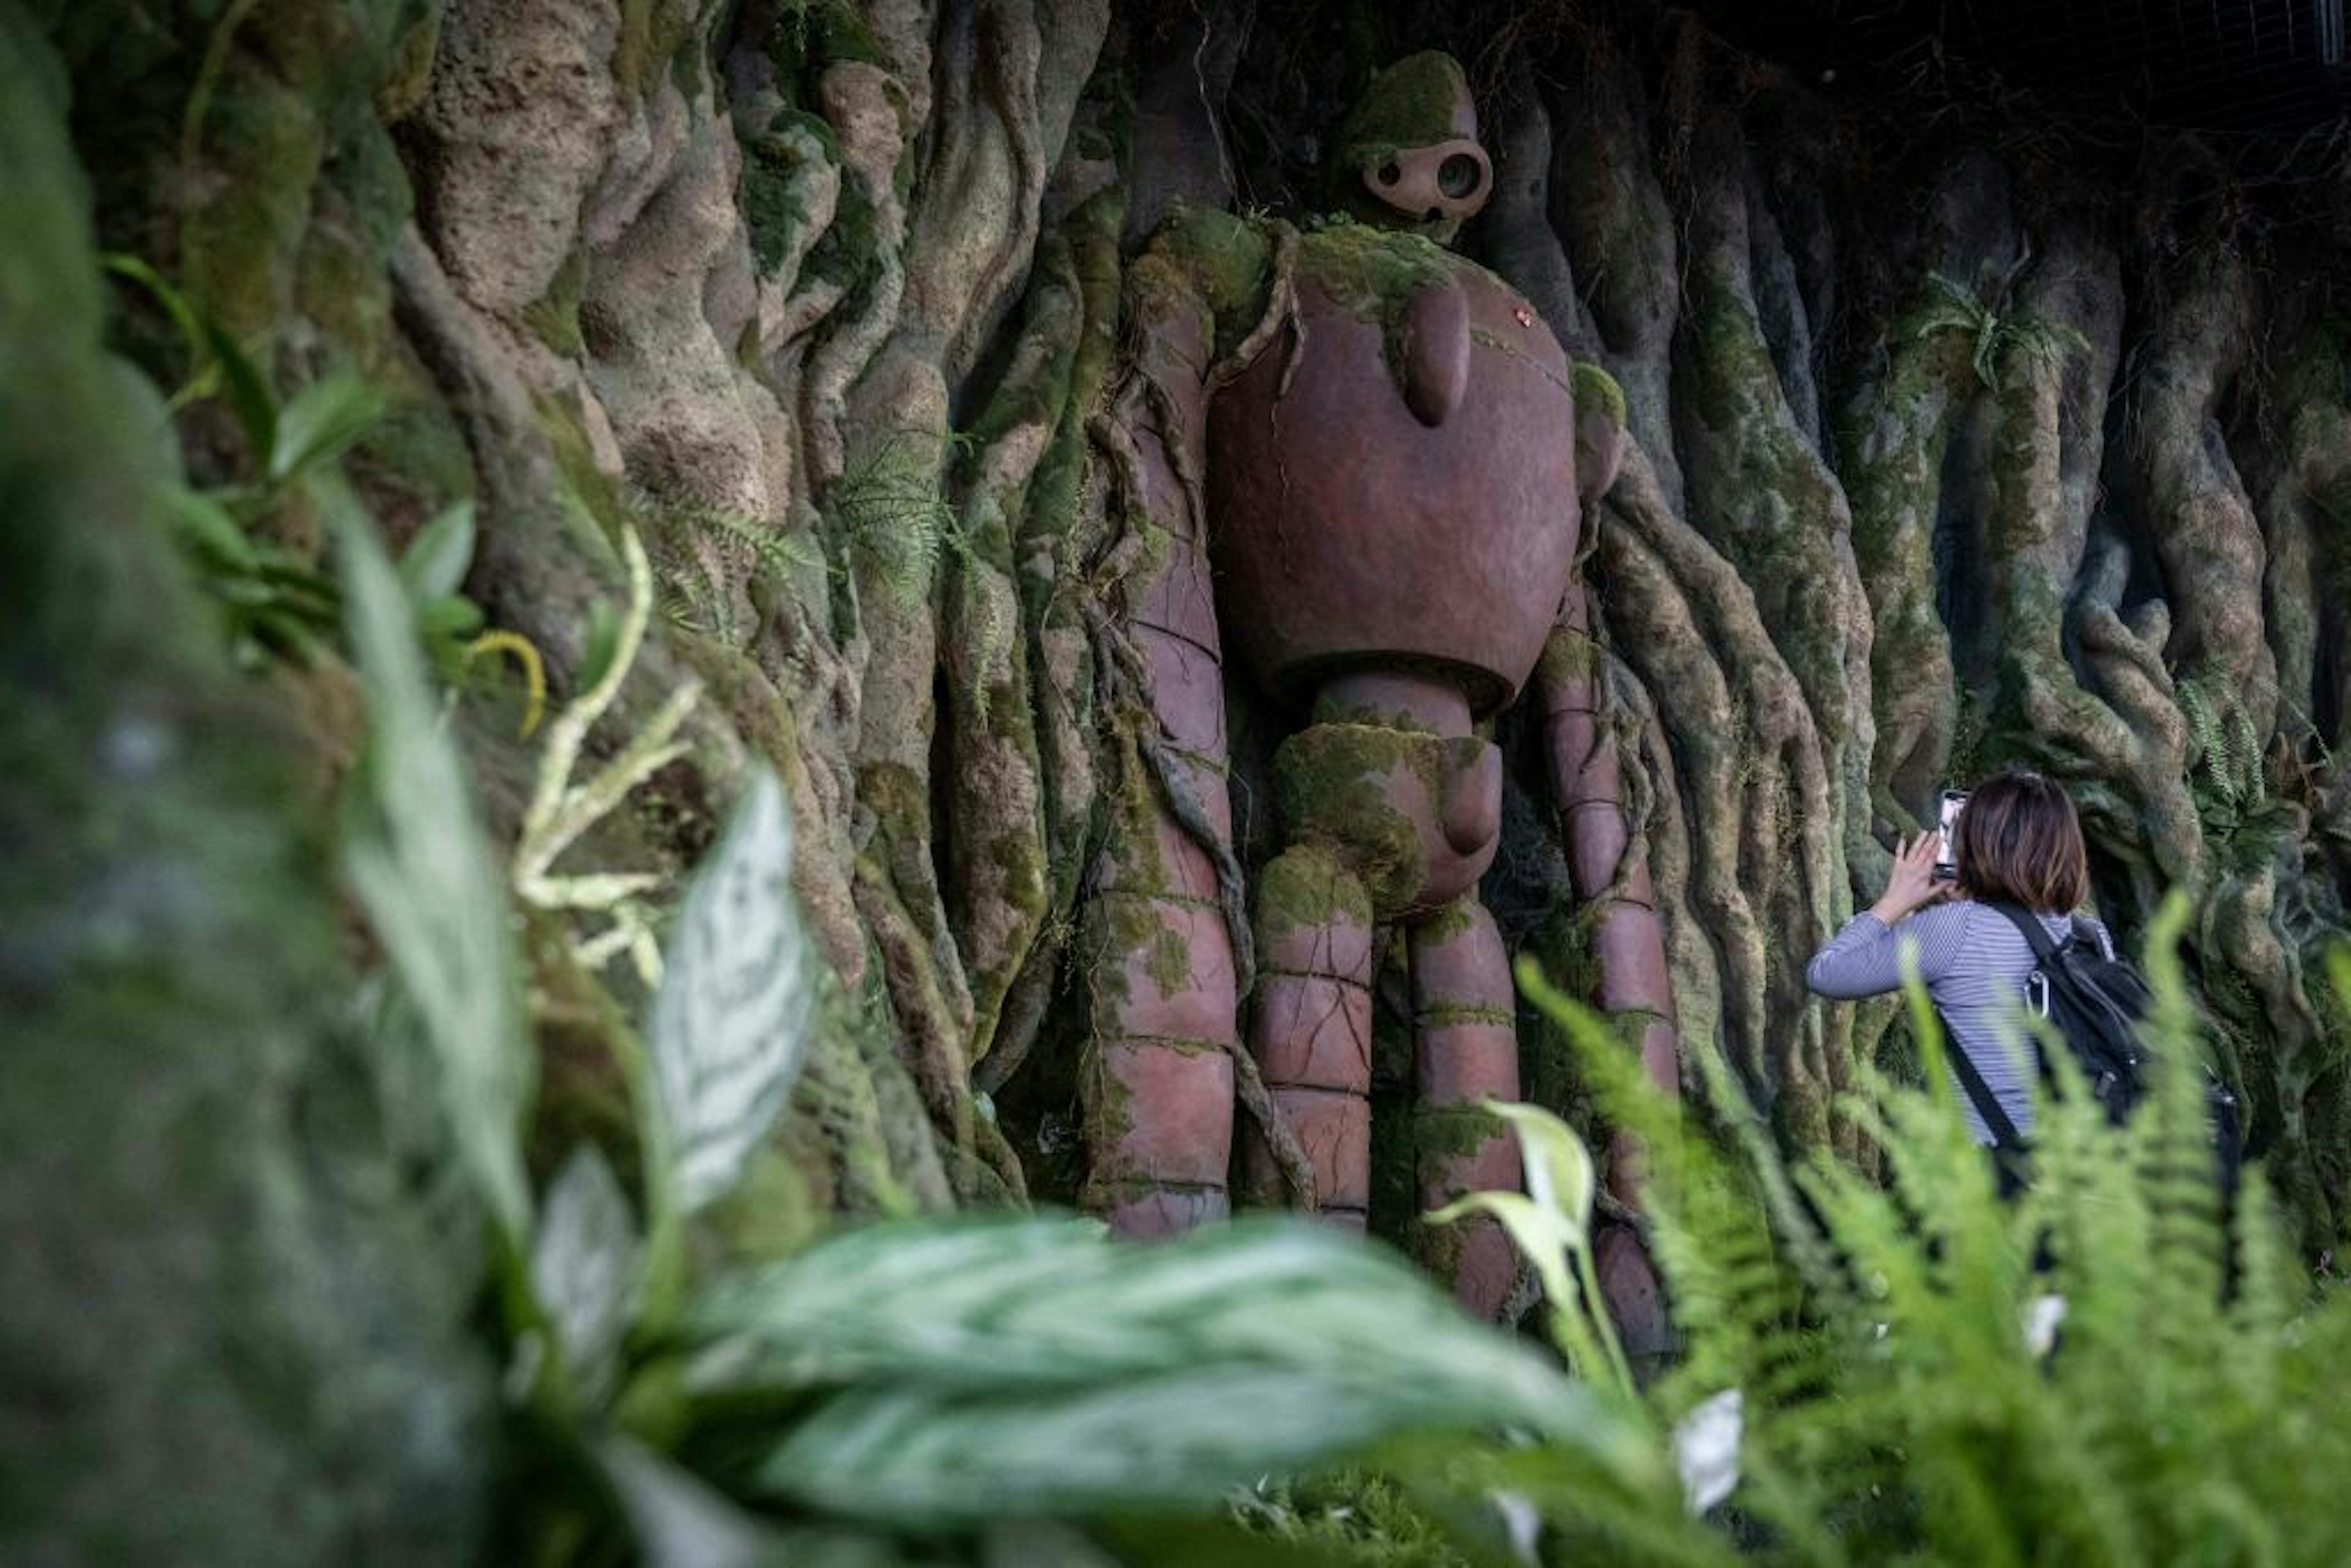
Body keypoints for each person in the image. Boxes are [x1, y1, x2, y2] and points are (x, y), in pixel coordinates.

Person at [1805, 769, 2113, 1150]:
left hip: (1986, 1179)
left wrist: (1895, 901)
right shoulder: (2089, 935)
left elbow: (1827, 974)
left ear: (1977, 842)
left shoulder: (1954, 929)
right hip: (2083, 1171)